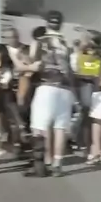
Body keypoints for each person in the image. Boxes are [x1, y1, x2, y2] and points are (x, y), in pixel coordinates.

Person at [26, 11, 73, 178]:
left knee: (41, 127)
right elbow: (71, 68)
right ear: (60, 24)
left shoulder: (40, 41)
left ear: (47, 23)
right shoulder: (66, 44)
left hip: (46, 86)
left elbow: (33, 62)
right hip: (65, 89)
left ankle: (44, 162)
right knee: (60, 128)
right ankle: (57, 165)